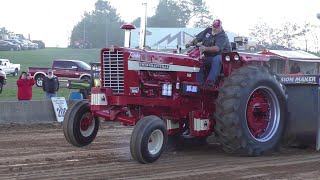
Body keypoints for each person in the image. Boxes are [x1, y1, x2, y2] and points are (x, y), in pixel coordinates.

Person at [186, 19, 231, 86]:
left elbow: (217, 49)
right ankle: (199, 83)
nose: (214, 29)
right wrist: (190, 43)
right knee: (198, 62)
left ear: (221, 27)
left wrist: (205, 49)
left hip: (223, 56)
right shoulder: (208, 31)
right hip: (209, 56)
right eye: (214, 26)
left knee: (216, 59)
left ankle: (210, 82)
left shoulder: (223, 36)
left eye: (217, 27)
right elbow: (197, 39)